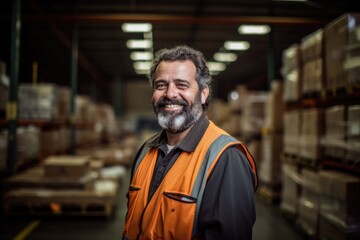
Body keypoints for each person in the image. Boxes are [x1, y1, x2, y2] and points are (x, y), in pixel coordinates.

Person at [122, 45, 258, 240]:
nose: (170, 94)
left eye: (182, 85)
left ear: (203, 94)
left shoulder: (226, 158)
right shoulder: (145, 151)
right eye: (161, 85)